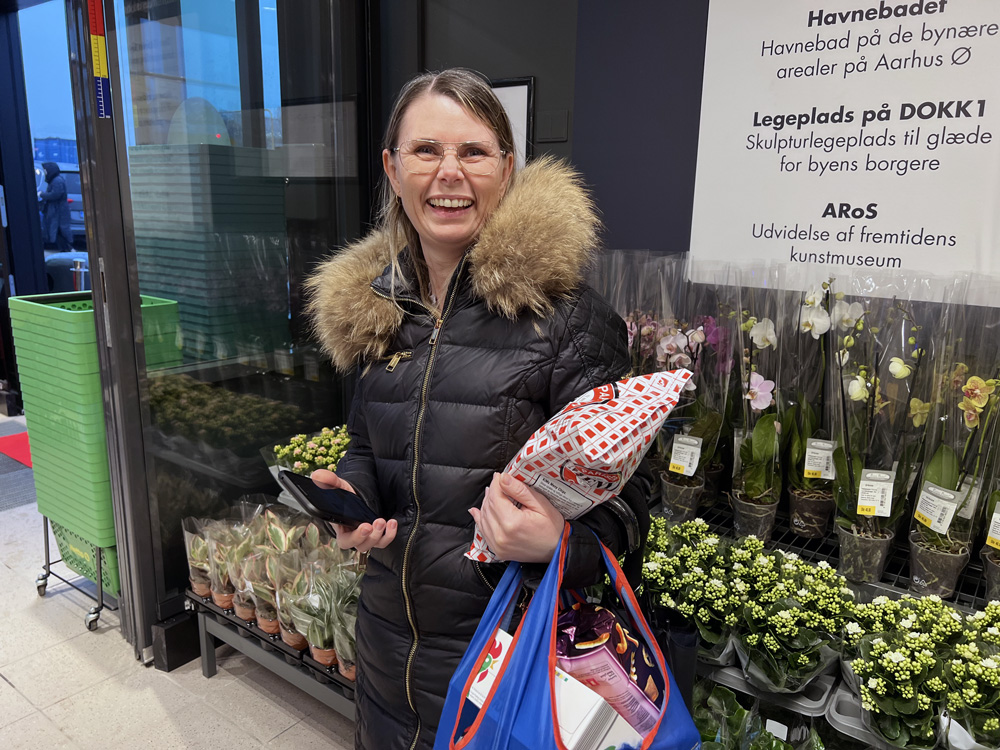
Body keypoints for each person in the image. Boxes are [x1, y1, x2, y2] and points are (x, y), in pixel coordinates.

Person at [305, 68, 650, 750]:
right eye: (427, 150)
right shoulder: (373, 314)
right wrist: (353, 496)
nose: (449, 174)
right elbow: (369, 447)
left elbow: (634, 503)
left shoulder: (566, 319)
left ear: (507, 167)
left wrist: (560, 544)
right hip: (385, 654)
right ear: (393, 168)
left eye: (474, 152)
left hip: (510, 665)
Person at [38, 162, 74, 252]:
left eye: (46, 170)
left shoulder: (57, 181)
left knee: (59, 231)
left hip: (58, 212)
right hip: (57, 211)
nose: (45, 172)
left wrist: (42, 194)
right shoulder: (56, 180)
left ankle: (69, 249)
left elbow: (56, 194)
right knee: (57, 231)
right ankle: (66, 249)